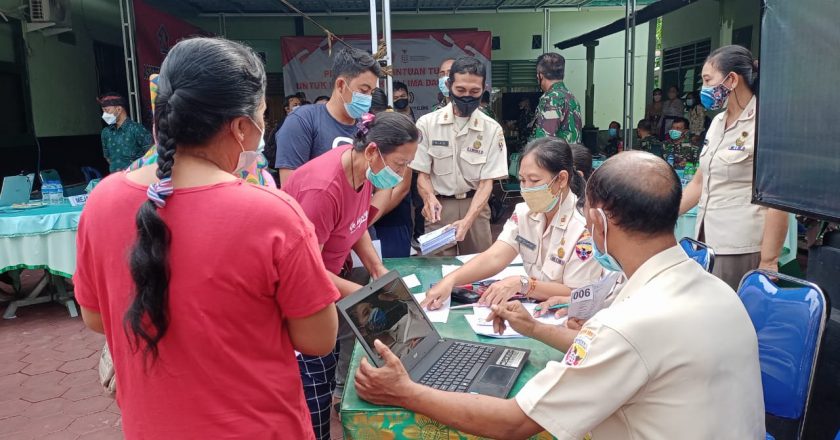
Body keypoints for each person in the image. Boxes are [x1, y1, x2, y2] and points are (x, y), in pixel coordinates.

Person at [354, 151, 765, 440]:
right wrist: (532, 327)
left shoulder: (631, 323)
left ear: (599, 220)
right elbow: (614, 348)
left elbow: (515, 423)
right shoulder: (716, 290)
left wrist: (405, 391)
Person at [75, 37, 339, 439]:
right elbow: (318, 339)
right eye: (263, 116)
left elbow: (96, 317)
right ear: (241, 127)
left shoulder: (103, 200)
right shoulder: (272, 214)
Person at [282, 111, 419, 439]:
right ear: (372, 151)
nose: (401, 175)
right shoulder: (323, 189)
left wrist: (376, 268)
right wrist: (368, 296)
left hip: (327, 278)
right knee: (313, 381)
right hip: (303, 292)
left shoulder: (362, 171)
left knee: (331, 363)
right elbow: (306, 269)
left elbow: (354, 225)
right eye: (399, 165)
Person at [421, 137, 601, 311]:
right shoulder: (524, 213)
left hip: (562, 318)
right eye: (522, 180)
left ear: (561, 179)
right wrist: (450, 281)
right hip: (530, 312)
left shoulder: (584, 226)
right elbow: (495, 257)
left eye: (535, 180)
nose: (527, 188)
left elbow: (577, 292)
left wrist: (522, 284)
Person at [680, 44, 789, 289]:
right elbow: (700, 181)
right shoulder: (718, 122)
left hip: (740, 246)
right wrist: (662, 216)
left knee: (729, 317)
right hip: (706, 240)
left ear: (731, 80)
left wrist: (769, 260)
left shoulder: (765, 123)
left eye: (708, 80)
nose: (704, 89)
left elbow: (777, 199)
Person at [411, 56, 508, 256]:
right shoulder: (427, 124)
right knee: (437, 271)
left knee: (477, 270)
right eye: (460, 90)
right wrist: (428, 198)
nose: (467, 97)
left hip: (476, 209)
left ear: (484, 88)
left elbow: (486, 183)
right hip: (439, 209)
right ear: (449, 85)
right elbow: (423, 175)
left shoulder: (492, 129)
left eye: (474, 92)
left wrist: (468, 220)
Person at [275, 47, 381, 186]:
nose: (368, 98)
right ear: (341, 85)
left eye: (371, 93)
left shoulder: (369, 125)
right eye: (364, 90)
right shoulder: (302, 120)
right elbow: (291, 188)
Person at [530, 53, 583, 144]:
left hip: (556, 157)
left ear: (540, 76)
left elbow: (543, 143)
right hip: (573, 156)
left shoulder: (551, 99)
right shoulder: (571, 98)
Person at [98, 93, 153, 173]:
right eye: (103, 111)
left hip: (136, 177)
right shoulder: (106, 132)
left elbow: (150, 154)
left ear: (119, 109)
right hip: (115, 178)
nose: (104, 114)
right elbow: (108, 157)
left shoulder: (137, 129)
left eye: (107, 110)